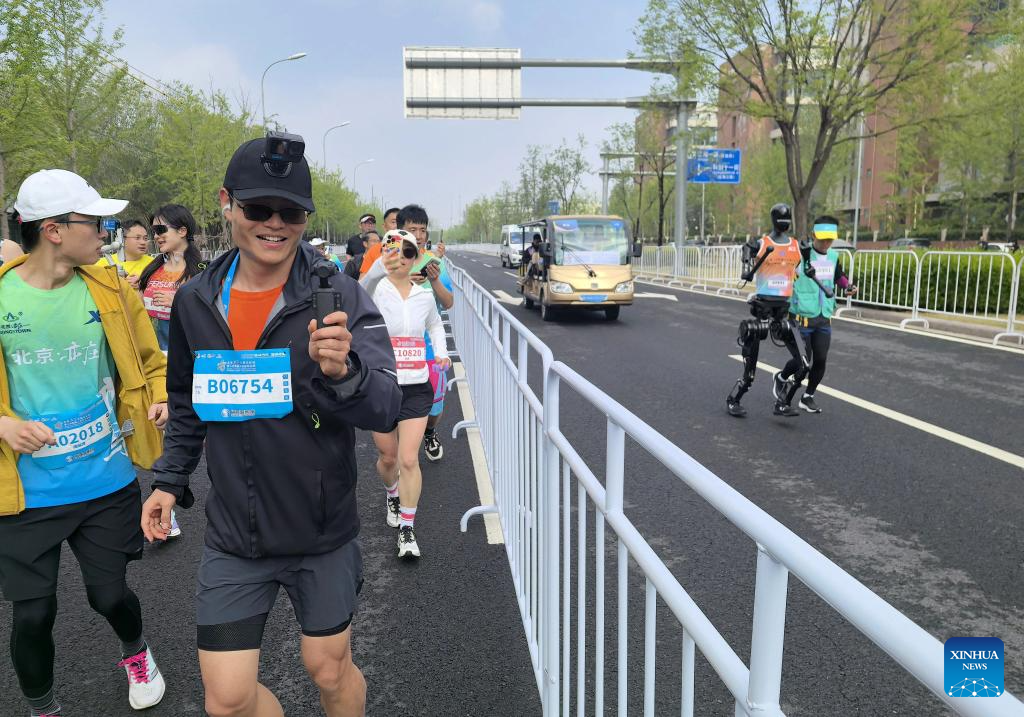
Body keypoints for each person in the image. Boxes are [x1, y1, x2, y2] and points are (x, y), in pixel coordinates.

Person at [141, 135, 401, 717]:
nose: (276, 224)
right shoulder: (196, 301)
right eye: (259, 209)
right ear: (227, 203)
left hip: (320, 531)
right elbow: (186, 401)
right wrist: (168, 480)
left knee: (329, 670)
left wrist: (346, 373)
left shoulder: (336, 293)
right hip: (236, 533)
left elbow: (387, 404)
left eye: (292, 212)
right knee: (227, 701)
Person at [0, 169, 169, 716]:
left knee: (109, 595)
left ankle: (136, 652)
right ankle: (43, 708)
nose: (105, 232)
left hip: (104, 478)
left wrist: (159, 396)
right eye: (95, 222)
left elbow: (151, 361)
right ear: (53, 230)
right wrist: (2, 425)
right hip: (25, 491)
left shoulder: (111, 289)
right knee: (32, 615)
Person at [360, 230, 449, 557]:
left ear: (415, 258)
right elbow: (357, 293)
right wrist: (377, 269)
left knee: (409, 459)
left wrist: (442, 353)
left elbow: (435, 324)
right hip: (381, 385)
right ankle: (392, 493)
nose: (401, 257)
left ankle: (407, 530)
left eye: (408, 252)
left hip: (416, 385)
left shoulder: (424, 295)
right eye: (393, 250)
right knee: (388, 458)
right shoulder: (375, 290)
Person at [725, 203, 805, 418]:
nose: (784, 221)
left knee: (804, 363)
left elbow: (800, 272)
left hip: (784, 309)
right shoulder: (762, 244)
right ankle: (735, 398)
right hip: (762, 307)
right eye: (781, 218)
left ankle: (784, 402)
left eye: (787, 218)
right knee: (751, 367)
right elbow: (746, 254)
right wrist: (746, 267)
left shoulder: (796, 246)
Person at [773, 216, 858, 413]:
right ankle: (781, 377)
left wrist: (848, 286)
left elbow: (838, 276)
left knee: (820, 360)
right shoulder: (800, 254)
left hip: (823, 317)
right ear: (813, 235)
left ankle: (807, 396)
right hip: (800, 318)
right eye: (823, 238)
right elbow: (782, 272)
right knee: (802, 361)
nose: (826, 243)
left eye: (830, 239)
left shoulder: (833, 256)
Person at [399, 205, 453, 462]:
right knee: (395, 405)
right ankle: (401, 457)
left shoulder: (435, 264)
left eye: (422, 230)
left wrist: (434, 280)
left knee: (434, 406)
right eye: (412, 229)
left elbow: (448, 302)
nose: (418, 235)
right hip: (395, 349)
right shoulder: (388, 263)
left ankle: (430, 432)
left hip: (430, 349)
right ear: (400, 231)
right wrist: (405, 281)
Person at [137, 205, 204, 352]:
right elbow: (138, 309)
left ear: (182, 231)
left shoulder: (202, 271)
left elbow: (212, 318)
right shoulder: (152, 270)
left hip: (186, 355)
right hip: (154, 354)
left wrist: (178, 302)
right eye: (154, 232)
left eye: (160, 230)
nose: (156, 236)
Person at [94, 219, 153, 287]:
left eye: (145, 238)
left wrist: (144, 284)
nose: (143, 242)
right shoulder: (103, 264)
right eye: (137, 238)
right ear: (122, 239)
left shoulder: (154, 264)